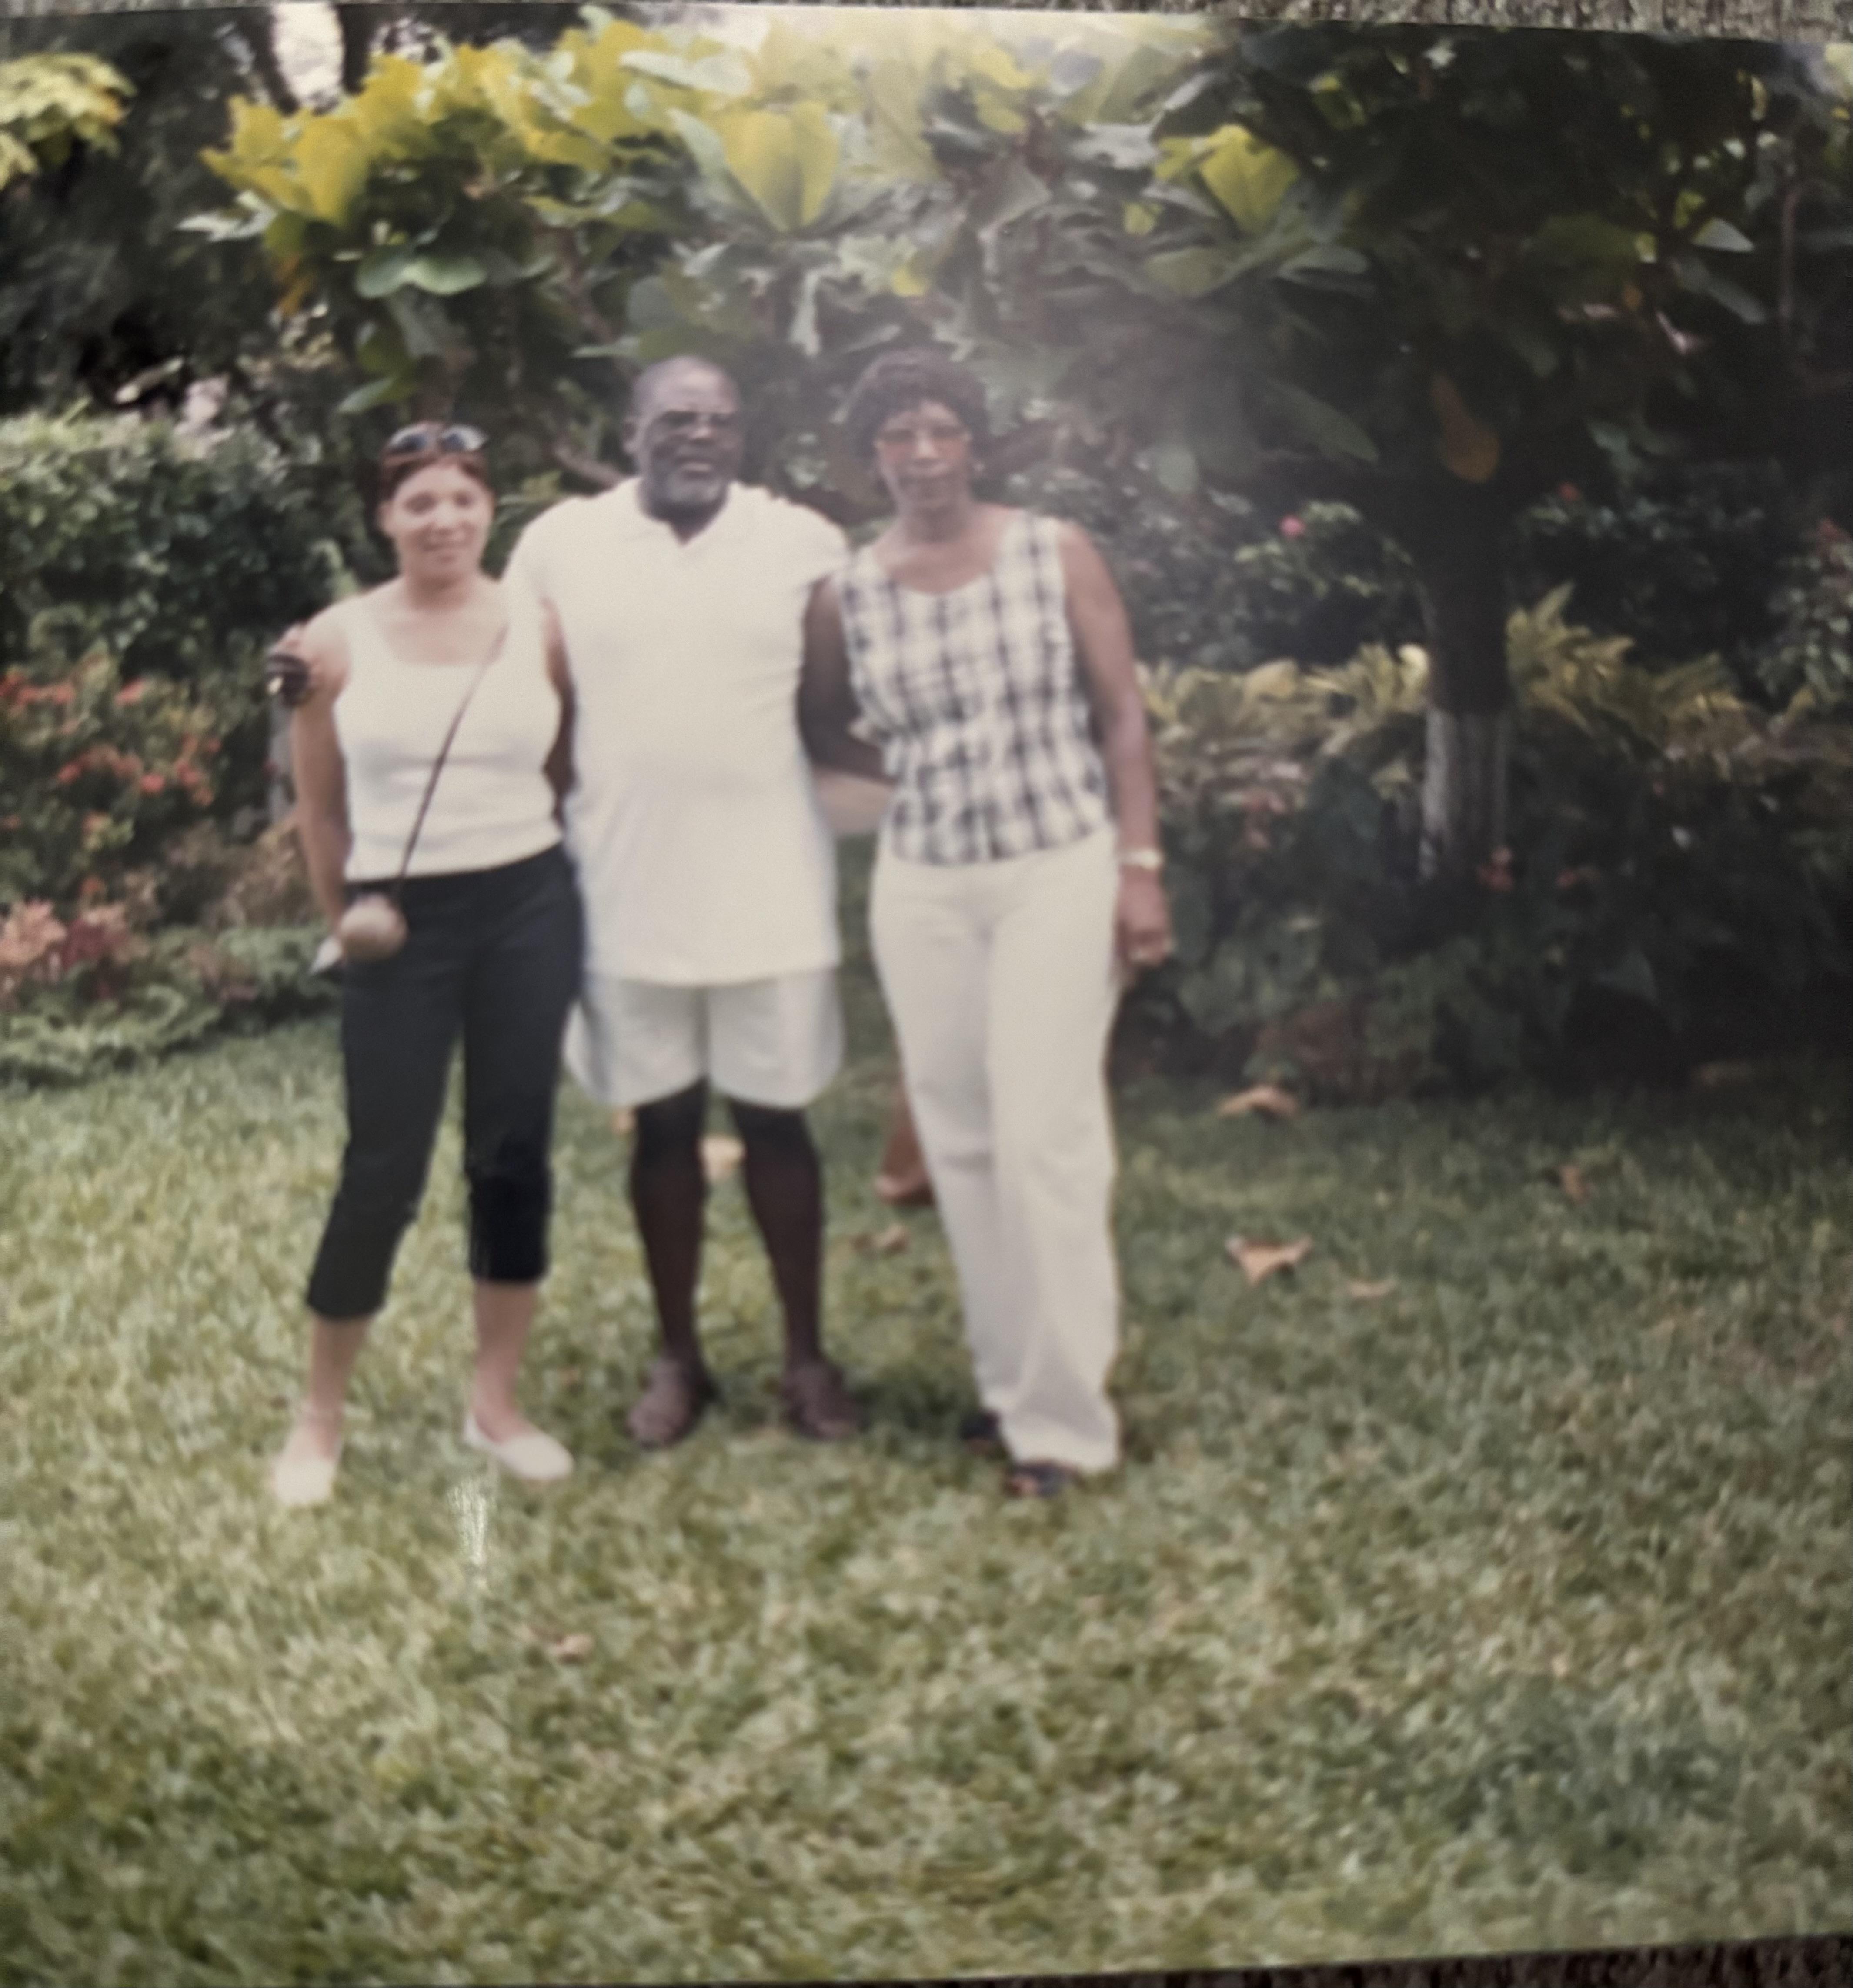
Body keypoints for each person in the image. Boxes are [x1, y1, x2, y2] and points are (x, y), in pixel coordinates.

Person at [798, 348, 1173, 1499]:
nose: (920, 453)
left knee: (1044, 1136)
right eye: (896, 436)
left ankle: (1064, 1424)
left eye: (939, 429)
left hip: (1053, 868)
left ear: (973, 440)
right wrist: (919, 766)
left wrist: (1138, 865)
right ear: (871, 459)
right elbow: (822, 728)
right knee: (957, 1139)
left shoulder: (1049, 550)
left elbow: (1120, 717)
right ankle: (1011, 1384)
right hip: (924, 884)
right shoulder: (846, 591)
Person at [504, 356, 861, 1451]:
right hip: (620, 888)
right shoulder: (561, 544)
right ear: (631, 429)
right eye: (675, 420)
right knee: (660, 1125)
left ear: (743, 435)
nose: (698, 437)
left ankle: (805, 1358)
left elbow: (829, 708)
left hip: (771, 889)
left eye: (719, 420)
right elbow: (514, 692)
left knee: (776, 1121)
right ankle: (679, 1358)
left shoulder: (802, 542)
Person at [269, 423, 583, 1508]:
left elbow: (557, 764)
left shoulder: (539, 625)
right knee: (383, 1165)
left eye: (462, 499)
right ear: (384, 519)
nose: (443, 520)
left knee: (512, 1154)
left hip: (529, 904)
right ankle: (319, 1419)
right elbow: (318, 807)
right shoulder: (335, 641)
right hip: (399, 924)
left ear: (490, 510)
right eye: (419, 504)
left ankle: (495, 1405)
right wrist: (345, 917)